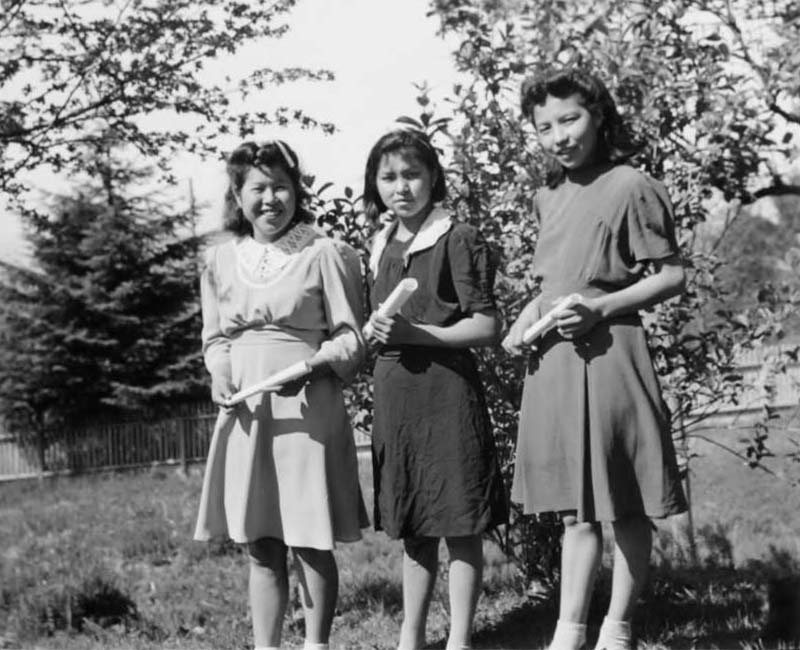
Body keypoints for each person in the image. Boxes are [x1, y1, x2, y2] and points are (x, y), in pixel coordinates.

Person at [502, 68, 688, 650]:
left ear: (599, 115)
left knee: (626, 506)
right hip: (555, 361)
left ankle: (619, 628)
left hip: (611, 355)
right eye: (544, 126)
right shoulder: (546, 196)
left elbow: (672, 275)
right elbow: (556, 281)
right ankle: (569, 632)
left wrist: (600, 308)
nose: (558, 136)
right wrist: (524, 318)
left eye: (570, 119)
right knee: (574, 512)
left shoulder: (632, 184)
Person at [193, 140, 368, 650]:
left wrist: (313, 364)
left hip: (307, 410)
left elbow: (351, 338)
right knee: (261, 543)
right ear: (237, 195)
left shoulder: (324, 252)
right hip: (248, 413)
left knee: (309, 540)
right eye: (258, 188)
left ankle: (316, 645)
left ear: (297, 190)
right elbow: (215, 339)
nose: (271, 199)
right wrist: (220, 373)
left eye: (281, 187)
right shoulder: (220, 261)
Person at [363, 125, 508, 650]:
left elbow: (488, 327)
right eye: (388, 177)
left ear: (432, 178)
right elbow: (376, 323)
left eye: (411, 174)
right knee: (415, 527)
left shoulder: (458, 237)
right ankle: (411, 638)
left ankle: (461, 639)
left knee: (460, 522)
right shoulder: (380, 243)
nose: (401, 187)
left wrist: (415, 333)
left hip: (446, 393)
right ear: (375, 184)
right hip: (397, 396)